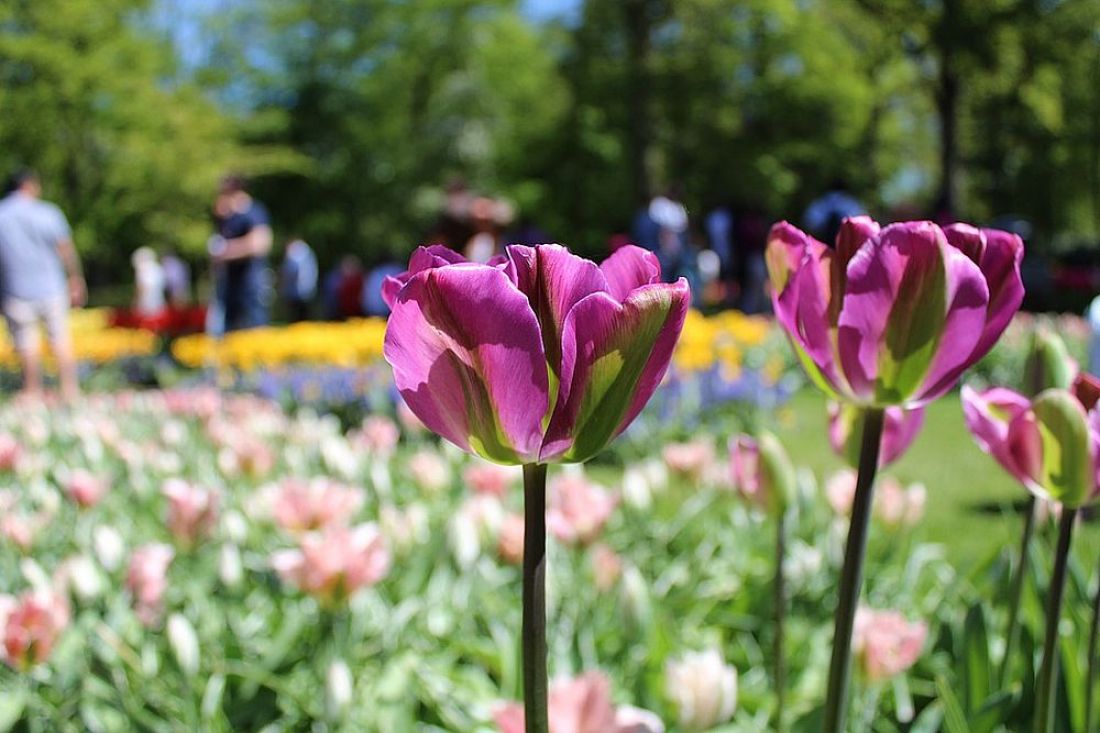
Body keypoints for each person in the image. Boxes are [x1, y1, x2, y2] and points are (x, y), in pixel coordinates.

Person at [0, 169, 86, 400]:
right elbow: (65, 249)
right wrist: (75, 278)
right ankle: (69, 390)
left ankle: (32, 391)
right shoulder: (48, 212)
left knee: (26, 344)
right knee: (60, 339)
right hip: (52, 287)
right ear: (29, 185)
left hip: (15, 289)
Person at [211, 175, 272, 332]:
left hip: (251, 283)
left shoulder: (253, 212)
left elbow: (260, 244)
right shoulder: (229, 217)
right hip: (232, 284)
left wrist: (226, 251)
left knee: (255, 326)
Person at [803, 179, 865, 244]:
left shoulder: (820, 202)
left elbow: (810, 223)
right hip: (845, 243)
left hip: (821, 243)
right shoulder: (851, 203)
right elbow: (860, 223)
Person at [279, 238, 317, 322]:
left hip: (297, 293)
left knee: (297, 319)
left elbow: (291, 273)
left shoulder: (295, 256)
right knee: (305, 319)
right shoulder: (308, 254)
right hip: (307, 291)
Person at [131, 247, 165, 317]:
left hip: (146, 304)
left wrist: (135, 302)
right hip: (159, 303)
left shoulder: (142, 270)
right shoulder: (158, 268)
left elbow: (141, 287)